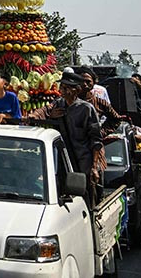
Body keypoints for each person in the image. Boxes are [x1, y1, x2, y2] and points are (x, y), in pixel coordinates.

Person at [27, 71, 104, 207]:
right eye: (62, 87)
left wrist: (94, 167)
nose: (63, 90)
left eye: (67, 87)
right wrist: (45, 117)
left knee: (86, 195)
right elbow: (44, 111)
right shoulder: (58, 105)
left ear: (76, 90)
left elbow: (96, 141)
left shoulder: (86, 109)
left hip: (82, 161)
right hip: (63, 160)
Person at [79, 67, 124, 136]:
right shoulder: (67, 101)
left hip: (93, 144)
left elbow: (116, 119)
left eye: (88, 81)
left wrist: (101, 133)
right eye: (81, 81)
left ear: (94, 83)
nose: (84, 84)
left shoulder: (100, 103)